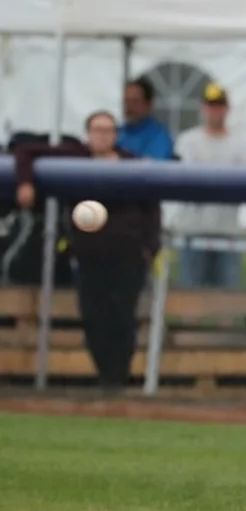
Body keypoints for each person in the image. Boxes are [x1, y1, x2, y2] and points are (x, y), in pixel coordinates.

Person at [11, 111, 162, 394]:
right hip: (90, 257)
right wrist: (25, 182)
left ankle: (118, 378)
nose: (102, 135)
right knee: (93, 317)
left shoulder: (131, 163)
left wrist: (150, 248)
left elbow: (151, 207)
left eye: (108, 130)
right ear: (88, 133)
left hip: (127, 258)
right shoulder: (75, 157)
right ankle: (106, 377)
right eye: (96, 130)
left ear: (116, 134)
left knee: (123, 318)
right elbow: (24, 151)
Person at [172, 83, 246, 288]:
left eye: (219, 106)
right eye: (211, 105)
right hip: (193, 228)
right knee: (190, 297)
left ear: (227, 109)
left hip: (228, 229)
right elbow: (183, 180)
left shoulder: (239, 143)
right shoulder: (188, 140)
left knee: (228, 300)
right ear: (203, 108)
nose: (215, 111)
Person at [118, 78, 175, 161]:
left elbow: (154, 167)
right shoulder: (118, 132)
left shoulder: (159, 136)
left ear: (149, 104)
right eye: (126, 101)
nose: (129, 106)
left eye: (135, 101)